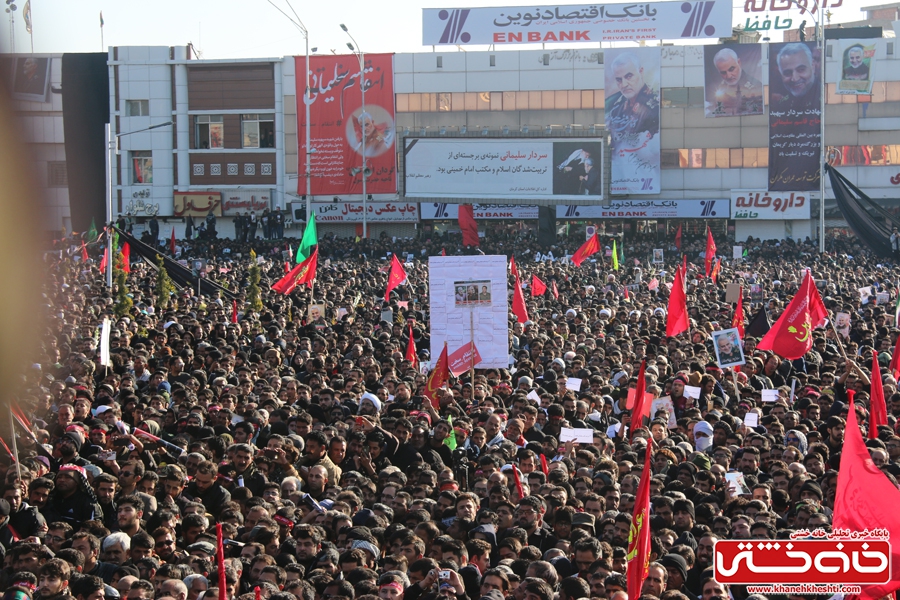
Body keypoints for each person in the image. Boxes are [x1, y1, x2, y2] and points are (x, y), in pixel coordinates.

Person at [605, 52, 660, 149]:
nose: (624, 84)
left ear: (641, 71)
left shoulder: (654, 105)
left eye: (629, 76)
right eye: (619, 80)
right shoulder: (616, 107)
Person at [709, 47, 763, 116]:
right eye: (723, 72)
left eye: (731, 69)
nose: (728, 76)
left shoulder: (756, 86)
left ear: (739, 63)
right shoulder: (719, 88)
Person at [774, 42, 820, 111]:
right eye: (787, 73)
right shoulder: (780, 105)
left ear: (812, 66)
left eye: (801, 70)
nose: (794, 79)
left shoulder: (824, 99)